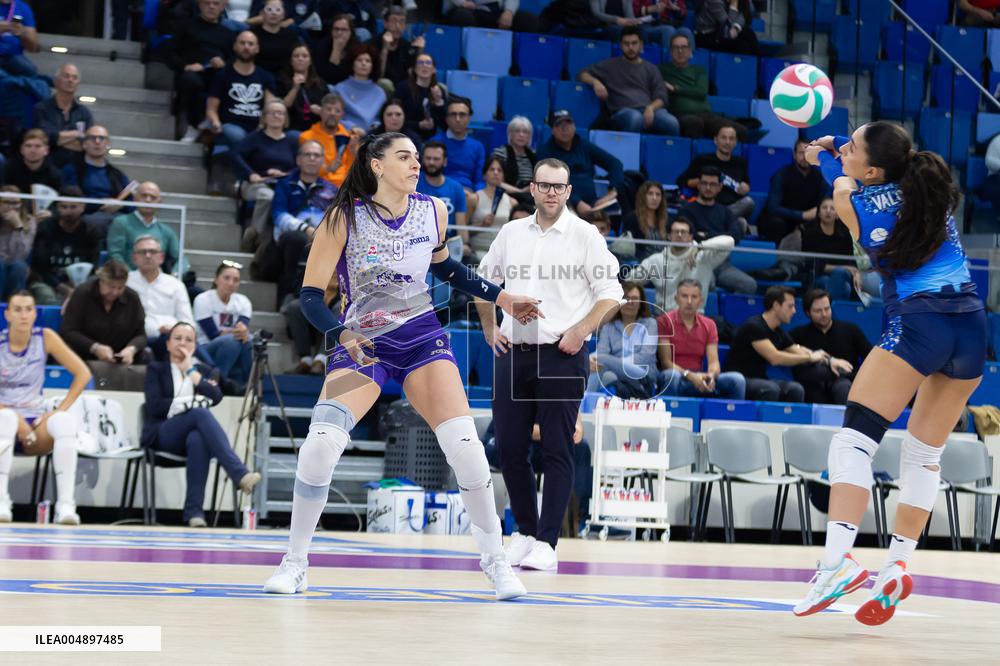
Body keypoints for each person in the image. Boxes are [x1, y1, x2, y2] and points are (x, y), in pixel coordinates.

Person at [263, 132, 541, 600]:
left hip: (421, 338)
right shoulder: (342, 217)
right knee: (319, 447)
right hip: (362, 342)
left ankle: (495, 562)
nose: (416, 164)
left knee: (467, 447)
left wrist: (504, 297)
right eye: (404, 157)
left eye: (417, 157)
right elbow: (310, 297)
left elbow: (447, 269)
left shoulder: (434, 210)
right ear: (376, 164)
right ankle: (295, 563)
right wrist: (342, 336)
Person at [793, 123, 987, 624]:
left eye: (853, 145)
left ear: (874, 169)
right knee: (924, 455)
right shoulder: (930, 191)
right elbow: (861, 178)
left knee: (853, 442)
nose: (846, 148)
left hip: (919, 325)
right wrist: (844, 157)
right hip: (970, 328)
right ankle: (897, 565)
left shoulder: (857, 202)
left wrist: (822, 159)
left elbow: (842, 190)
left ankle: (836, 563)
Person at [476, 157, 624, 572]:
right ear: (534, 189)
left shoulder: (585, 235)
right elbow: (483, 285)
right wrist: (490, 330)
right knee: (509, 448)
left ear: (568, 191)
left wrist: (582, 329)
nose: (552, 193)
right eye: (544, 185)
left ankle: (548, 543)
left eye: (559, 186)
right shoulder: (510, 233)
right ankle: (523, 533)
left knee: (559, 448)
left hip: (561, 351)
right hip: (512, 353)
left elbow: (612, 292)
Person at [142, 322, 262, 527]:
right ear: (168, 344)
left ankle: (194, 513)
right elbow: (153, 407)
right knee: (199, 413)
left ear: (195, 346)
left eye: (188, 340)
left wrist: (191, 373)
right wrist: (190, 404)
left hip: (188, 438)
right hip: (162, 433)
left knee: (198, 439)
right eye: (178, 338)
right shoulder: (156, 368)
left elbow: (216, 396)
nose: (182, 343)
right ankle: (239, 474)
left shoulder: (201, 370)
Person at [0, 291, 90, 525]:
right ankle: (1, 501)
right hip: (4, 419)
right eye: (17, 309)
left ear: (35, 314)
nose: (23, 315)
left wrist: (59, 410)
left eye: (29, 309)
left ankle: (66, 506)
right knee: (6, 418)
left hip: (35, 425)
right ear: (7, 314)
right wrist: (14, 416)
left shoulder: (45, 337)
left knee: (65, 422)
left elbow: (83, 373)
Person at [724, 285, 828, 402]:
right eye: (790, 306)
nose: (794, 311)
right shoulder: (754, 326)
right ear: (776, 306)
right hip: (739, 379)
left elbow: (796, 349)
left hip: (760, 379)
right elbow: (775, 358)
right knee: (770, 389)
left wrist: (827, 359)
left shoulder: (777, 331)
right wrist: (809, 358)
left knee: (795, 389)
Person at [270, 140, 339, 305]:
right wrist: (306, 229)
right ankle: (290, 294)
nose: (312, 158)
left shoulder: (331, 189)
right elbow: (278, 215)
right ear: (298, 159)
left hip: (321, 237)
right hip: (291, 237)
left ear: (323, 160)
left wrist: (321, 233)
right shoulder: (285, 184)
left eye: (316, 155)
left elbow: (336, 219)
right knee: (297, 239)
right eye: (307, 154)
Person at [578, 27, 679, 136]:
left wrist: (650, 108)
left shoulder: (651, 68)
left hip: (649, 110)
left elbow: (661, 97)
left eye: (634, 43)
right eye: (626, 44)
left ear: (641, 44)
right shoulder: (610, 65)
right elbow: (582, 74)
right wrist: (595, 82)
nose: (630, 47)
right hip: (622, 112)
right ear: (621, 45)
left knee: (672, 123)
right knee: (635, 118)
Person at [657, 278, 746, 399]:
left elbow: (714, 362)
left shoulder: (709, 325)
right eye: (684, 296)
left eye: (694, 297)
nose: (689, 301)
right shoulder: (664, 321)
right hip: (677, 376)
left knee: (737, 380)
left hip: (700, 377)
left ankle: (733, 417)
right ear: (676, 299)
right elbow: (666, 363)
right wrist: (690, 375)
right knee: (671, 376)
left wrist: (710, 376)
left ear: (701, 301)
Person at [626, 216, 733, 314]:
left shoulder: (704, 257)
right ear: (669, 236)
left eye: (684, 232)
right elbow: (629, 280)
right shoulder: (656, 260)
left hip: (695, 319)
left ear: (691, 237)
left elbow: (729, 242)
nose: (680, 235)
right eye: (676, 232)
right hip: (664, 318)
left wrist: (700, 247)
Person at [677, 166, 756, 294]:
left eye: (713, 184)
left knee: (750, 285)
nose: (708, 188)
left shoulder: (725, 212)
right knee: (707, 285)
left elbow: (735, 236)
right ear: (698, 185)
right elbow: (689, 236)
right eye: (704, 183)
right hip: (699, 261)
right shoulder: (686, 210)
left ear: (719, 187)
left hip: (723, 264)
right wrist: (721, 237)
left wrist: (707, 235)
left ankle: (728, 311)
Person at [789, 288, 872, 405]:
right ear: (808, 312)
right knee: (811, 391)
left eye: (827, 309)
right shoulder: (798, 334)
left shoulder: (850, 330)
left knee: (843, 387)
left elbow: (870, 356)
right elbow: (786, 351)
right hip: (813, 382)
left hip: (845, 380)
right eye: (818, 311)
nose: (824, 314)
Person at [536, 110, 624, 217]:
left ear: (574, 127)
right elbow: (547, 182)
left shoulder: (584, 146)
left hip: (593, 204)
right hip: (563, 203)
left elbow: (615, 164)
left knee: (617, 211)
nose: (564, 128)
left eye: (568, 123)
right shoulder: (545, 152)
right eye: (559, 124)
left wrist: (612, 191)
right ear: (552, 130)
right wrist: (576, 202)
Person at [170, 0, 237, 142]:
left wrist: (223, 63)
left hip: (218, 73)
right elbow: (170, 54)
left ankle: (221, 128)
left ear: (223, 7)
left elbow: (234, 60)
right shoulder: (185, 26)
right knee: (190, 81)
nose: (211, 6)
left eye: (216, 3)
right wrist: (185, 66)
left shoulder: (229, 34)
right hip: (192, 72)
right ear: (199, 5)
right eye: (207, 3)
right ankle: (194, 125)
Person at [60, 259, 148, 365]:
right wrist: (95, 347)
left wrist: (131, 349)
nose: (115, 292)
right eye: (111, 287)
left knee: (146, 355)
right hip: (85, 353)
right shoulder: (83, 293)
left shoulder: (132, 297)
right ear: (101, 281)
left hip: (120, 356)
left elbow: (141, 335)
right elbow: (68, 331)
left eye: (120, 288)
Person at [205, 31, 277, 158]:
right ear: (235, 46)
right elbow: (211, 108)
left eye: (250, 44)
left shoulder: (266, 77)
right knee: (238, 136)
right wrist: (215, 123)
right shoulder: (222, 75)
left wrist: (263, 125)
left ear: (257, 49)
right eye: (242, 43)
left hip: (257, 128)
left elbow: (270, 107)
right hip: (229, 127)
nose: (246, 47)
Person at [127, 236, 196, 361]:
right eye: (142, 252)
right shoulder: (126, 283)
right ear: (134, 258)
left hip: (172, 337)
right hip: (138, 339)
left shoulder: (175, 285)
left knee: (178, 342)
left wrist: (176, 330)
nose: (148, 256)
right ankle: (214, 375)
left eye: (152, 252)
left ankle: (213, 374)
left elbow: (188, 321)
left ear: (161, 257)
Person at [29, 187, 101, 305]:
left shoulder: (91, 231)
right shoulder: (45, 228)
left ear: (82, 207)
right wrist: (61, 287)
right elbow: (40, 267)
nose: (68, 211)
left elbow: (93, 265)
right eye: (64, 207)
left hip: (81, 282)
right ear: (58, 207)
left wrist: (77, 288)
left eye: (73, 207)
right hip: (47, 281)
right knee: (47, 297)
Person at [59, 125, 134, 237]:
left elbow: (132, 204)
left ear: (108, 144)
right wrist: (101, 203)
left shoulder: (117, 174)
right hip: (85, 217)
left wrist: (120, 204)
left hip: (115, 216)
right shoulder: (72, 170)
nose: (97, 142)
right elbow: (70, 200)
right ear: (84, 144)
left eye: (102, 138)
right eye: (92, 138)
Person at [587, 282, 658, 397]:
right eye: (626, 298)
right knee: (601, 372)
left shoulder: (650, 323)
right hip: (615, 372)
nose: (630, 302)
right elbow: (602, 351)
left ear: (641, 303)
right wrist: (604, 362)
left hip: (643, 373)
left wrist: (613, 362)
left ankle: (583, 404)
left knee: (600, 361)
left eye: (634, 298)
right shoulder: (609, 326)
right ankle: (591, 406)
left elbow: (646, 356)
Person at [659, 32, 735, 139]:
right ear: (670, 51)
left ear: (690, 51)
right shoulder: (661, 70)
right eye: (676, 47)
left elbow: (701, 92)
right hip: (680, 114)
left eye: (684, 47)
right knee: (694, 123)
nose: (680, 51)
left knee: (737, 130)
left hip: (706, 114)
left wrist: (675, 89)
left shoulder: (699, 71)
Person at [193, 261, 253, 392]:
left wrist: (242, 333)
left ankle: (247, 386)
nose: (231, 283)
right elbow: (213, 334)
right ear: (216, 279)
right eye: (227, 278)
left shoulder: (243, 301)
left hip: (233, 344)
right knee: (233, 341)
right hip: (206, 347)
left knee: (249, 341)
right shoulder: (202, 299)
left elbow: (242, 330)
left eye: (236, 280)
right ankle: (218, 383)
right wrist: (238, 333)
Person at [676, 122, 754, 224]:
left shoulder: (741, 163)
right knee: (740, 222)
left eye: (731, 139)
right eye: (723, 138)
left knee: (748, 204)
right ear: (715, 140)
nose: (727, 142)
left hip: (730, 208)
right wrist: (703, 182)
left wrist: (745, 188)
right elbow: (681, 181)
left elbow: (746, 184)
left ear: (736, 142)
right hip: (707, 205)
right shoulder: (702, 160)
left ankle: (717, 221)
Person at [759, 138, 829, 243]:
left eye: (808, 153)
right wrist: (802, 215)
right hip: (782, 220)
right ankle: (777, 257)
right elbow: (773, 207)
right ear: (794, 154)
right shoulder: (782, 174)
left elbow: (824, 201)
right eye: (801, 153)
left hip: (807, 223)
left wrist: (817, 211)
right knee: (776, 223)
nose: (804, 157)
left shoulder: (820, 177)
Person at [234, 100, 298, 206]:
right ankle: (258, 223)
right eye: (271, 113)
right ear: (264, 117)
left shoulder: (292, 141)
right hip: (257, 184)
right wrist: (251, 174)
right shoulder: (254, 138)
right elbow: (236, 156)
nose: (276, 116)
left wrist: (285, 174)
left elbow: (300, 164)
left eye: (280, 113)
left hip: (285, 183)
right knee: (269, 196)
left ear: (286, 118)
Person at [106, 181, 181, 273]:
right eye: (144, 196)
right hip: (126, 279)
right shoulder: (121, 223)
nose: (148, 200)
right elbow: (115, 255)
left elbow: (181, 259)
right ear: (135, 198)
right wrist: (131, 277)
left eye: (153, 197)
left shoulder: (166, 231)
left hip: (157, 280)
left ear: (160, 202)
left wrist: (175, 275)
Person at [801, 197, 862, 302]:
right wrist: (844, 268)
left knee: (842, 276)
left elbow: (852, 262)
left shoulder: (844, 234)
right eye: (824, 208)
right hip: (817, 276)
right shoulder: (810, 233)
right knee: (843, 286)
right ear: (819, 213)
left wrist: (856, 274)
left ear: (838, 215)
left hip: (843, 274)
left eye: (832, 208)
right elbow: (811, 264)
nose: (828, 211)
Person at [31, 64, 93, 167]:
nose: (70, 80)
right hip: (47, 167)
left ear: (78, 83)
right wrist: (76, 134)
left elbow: (87, 143)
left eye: (74, 77)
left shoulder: (84, 112)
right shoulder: (41, 109)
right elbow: (43, 138)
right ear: (56, 81)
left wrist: (56, 140)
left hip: (77, 169)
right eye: (66, 76)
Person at [299, 92, 363, 188]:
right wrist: (328, 169)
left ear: (342, 114)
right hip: (317, 187)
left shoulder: (350, 137)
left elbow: (356, 171)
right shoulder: (306, 137)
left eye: (337, 111)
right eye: (328, 109)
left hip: (345, 188)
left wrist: (353, 151)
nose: (332, 113)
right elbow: (304, 169)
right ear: (320, 111)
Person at [431, 97, 485, 204]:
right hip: (439, 191)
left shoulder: (477, 146)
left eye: (462, 115)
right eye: (453, 114)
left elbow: (479, 180)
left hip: (468, 194)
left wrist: (478, 194)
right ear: (446, 118)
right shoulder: (434, 143)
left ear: (469, 118)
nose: (458, 119)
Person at [283, 273, 340, 374]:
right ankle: (305, 360)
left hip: (338, 308)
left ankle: (321, 359)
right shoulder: (317, 264)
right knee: (294, 306)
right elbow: (299, 286)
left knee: (340, 308)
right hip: (314, 307)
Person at [416, 141, 468, 239]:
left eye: (436, 159)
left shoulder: (456, 188)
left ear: (445, 162)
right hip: (418, 240)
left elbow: (461, 224)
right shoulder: (413, 183)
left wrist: (465, 244)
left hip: (448, 243)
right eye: (428, 158)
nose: (431, 162)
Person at [332, 43, 387, 131]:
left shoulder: (380, 93)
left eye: (368, 61)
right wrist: (351, 127)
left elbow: (381, 118)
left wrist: (376, 126)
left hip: (373, 137)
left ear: (373, 66)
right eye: (359, 60)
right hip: (346, 133)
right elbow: (334, 116)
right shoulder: (339, 89)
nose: (363, 63)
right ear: (352, 64)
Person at [276, 44, 330, 133]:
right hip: (292, 128)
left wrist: (321, 111)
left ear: (310, 61)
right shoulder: (282, 81)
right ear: (291, 61)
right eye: (296, 56)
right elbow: (282, 107)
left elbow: (329, 110)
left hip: (316, 128)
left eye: (304, 56)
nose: (300, 59)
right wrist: (295, 88)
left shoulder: (320, 84)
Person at [394, 53, 447, 141]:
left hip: (431, 139)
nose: (424, 65)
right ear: (414, 69)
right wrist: (418, 125)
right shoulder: (403, 87)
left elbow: (445, 125)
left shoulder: (439, 91)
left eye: (428, 63)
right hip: (406, 136)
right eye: (420, 62)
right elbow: (395, 118)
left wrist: (439, 102)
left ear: (434, 69)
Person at [469, 156, 513, 261]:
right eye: (492, 169)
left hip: (503, 253)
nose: (496, 173)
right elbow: (463, 230)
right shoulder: (474, 198)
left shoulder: (512, 202)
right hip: (479, 250)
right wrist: (482, 224)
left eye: (499, 170)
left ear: (503, 176)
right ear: (485, 174)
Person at [371, 5, 424, 85]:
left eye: (402, 22)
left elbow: (417, 77)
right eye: (393, 21)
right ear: (385, 23)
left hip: (401, 90)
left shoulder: (407, 46)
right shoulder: (372, 44)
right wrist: (385, 49)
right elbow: (377, 77)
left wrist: (419, 52)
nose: (398, 26)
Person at [490, 116, 536, 204]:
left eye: (525, 132)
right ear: (510, 134)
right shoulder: (500, 153)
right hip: (505, 195)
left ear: (529, 136)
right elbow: (494, 180)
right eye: (517, 131)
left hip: (530, 196)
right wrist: (520, 191)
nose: (521, 134)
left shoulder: (533, 155)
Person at [0, 186, 35, 297]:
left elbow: (22, 255)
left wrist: (18, 227)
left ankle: (15, 304)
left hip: (16, 268)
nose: (11, 207)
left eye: (15, 203)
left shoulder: (29, 222)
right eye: (6, 202)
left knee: (19, 266)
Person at [251, 0, 301, 76]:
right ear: (262, 13)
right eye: (269, 9)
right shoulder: (252, 35)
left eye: (278, 10)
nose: (273, 13)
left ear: (283, 15)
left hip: (284, 79)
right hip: (258, 77)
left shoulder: (291, 36)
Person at [621, 181, 668, 261]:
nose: (654, 198)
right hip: (641, 263)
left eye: (658, 194)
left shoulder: (667, 220)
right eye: (650, 194)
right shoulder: (632, 219)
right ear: (643, 197)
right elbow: (628, 246)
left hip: (664, 262)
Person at [311, 14, 358, 86]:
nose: (339, 33)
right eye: (336, 29)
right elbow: (327, 77)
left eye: (344, 30)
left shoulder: (357, 48)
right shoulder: (322, 46)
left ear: (351, 32)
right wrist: (336, 50)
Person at [444, 0, 539, 32]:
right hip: (470, 9)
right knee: (462, 17)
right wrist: (462, 2)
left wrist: (509, 11)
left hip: (497, 12)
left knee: (528, 21)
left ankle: (516, 67)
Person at [0, 0, 38, 77]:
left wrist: (22, 32)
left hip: (13, 56)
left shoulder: (22, 7)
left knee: (31, 70)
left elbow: (32, 48)